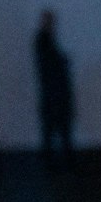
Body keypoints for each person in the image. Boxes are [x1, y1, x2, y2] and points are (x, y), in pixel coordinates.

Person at [33, 9, 75, 170]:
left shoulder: (44, 40)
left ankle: (53, 163)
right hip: (53, 94)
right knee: (56, 129)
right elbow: (51, 64)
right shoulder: (43, 40)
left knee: (54, 130)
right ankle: (55, 163)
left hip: (53, 93)